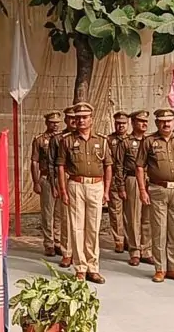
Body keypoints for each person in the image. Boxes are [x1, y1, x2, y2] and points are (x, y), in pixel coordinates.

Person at [56, 102, 112, 284]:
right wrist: (63, 190)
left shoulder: (102, 141)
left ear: (91, 119)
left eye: (84, 117)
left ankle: (93, 268)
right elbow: (61, 166)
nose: (81, 120)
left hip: (96, 185)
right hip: (76, 185)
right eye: (78, 117)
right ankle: (80, 268)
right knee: (77, 227)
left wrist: (107, 190)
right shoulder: (67, 141)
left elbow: (108, 166)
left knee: (93, 228)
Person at [137, 108, 174, 283]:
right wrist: (142, 190)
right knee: (159, 229)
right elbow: (140, 166)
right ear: (157, 123)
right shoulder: (149, 141)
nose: (166, 124)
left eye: (169, 121)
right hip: (158, 189)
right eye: (162, 121)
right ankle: (160, 268)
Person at [116, 110, 154, 266]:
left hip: (149, 179)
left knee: (148, 217)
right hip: (132, 179)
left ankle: (147, 250)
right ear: (132, 123)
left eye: (146, 121)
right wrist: (121, 186)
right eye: (140, 121)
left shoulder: (151, 141)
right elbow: (119, 165)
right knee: (132, 216)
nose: (144, 124)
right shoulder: (125, 142)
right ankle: (134, 250)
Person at [31, 111, 63, 256]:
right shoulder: (39, 140)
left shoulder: (64, 138)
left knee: (59, 212)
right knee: (47, 212)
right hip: (46, 178)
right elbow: (34, 162)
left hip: (61, 178)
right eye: (52, 122)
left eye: (57, 122)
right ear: (46, 123)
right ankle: (48, 243)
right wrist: (36, 181)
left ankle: (58, 241)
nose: (55, 125)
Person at [52, 106, 78, 268]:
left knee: (84, 220)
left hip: (82, 179)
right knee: (66, 217)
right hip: (65, 176)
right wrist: (56, 184)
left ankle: (80, 253)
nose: (75, 121)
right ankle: (67, 252)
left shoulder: (91, 138)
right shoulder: (60, 139)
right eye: (71, 118)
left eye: (77, 118)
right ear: (66, 120)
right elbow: (53, 162)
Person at [107, 111, 129, 253]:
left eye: (123, 123)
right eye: (118, 123)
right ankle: (119, 240)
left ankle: (130, 240)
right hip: (115, 178)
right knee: (115, 212)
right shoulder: (109, 140)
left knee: (131, 212)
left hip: (130, 178)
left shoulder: (134, 139)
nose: (121, 126)